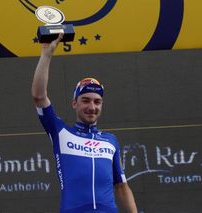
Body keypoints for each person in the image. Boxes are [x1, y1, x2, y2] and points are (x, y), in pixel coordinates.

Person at [31, 34, 138, 213]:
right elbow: (38, 96)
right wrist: (46, 54)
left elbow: (121, 187)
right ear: (75, 103)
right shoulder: (61, 132)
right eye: (86, 100)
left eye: (97, 102)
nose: (92, 107)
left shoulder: (110, 141)